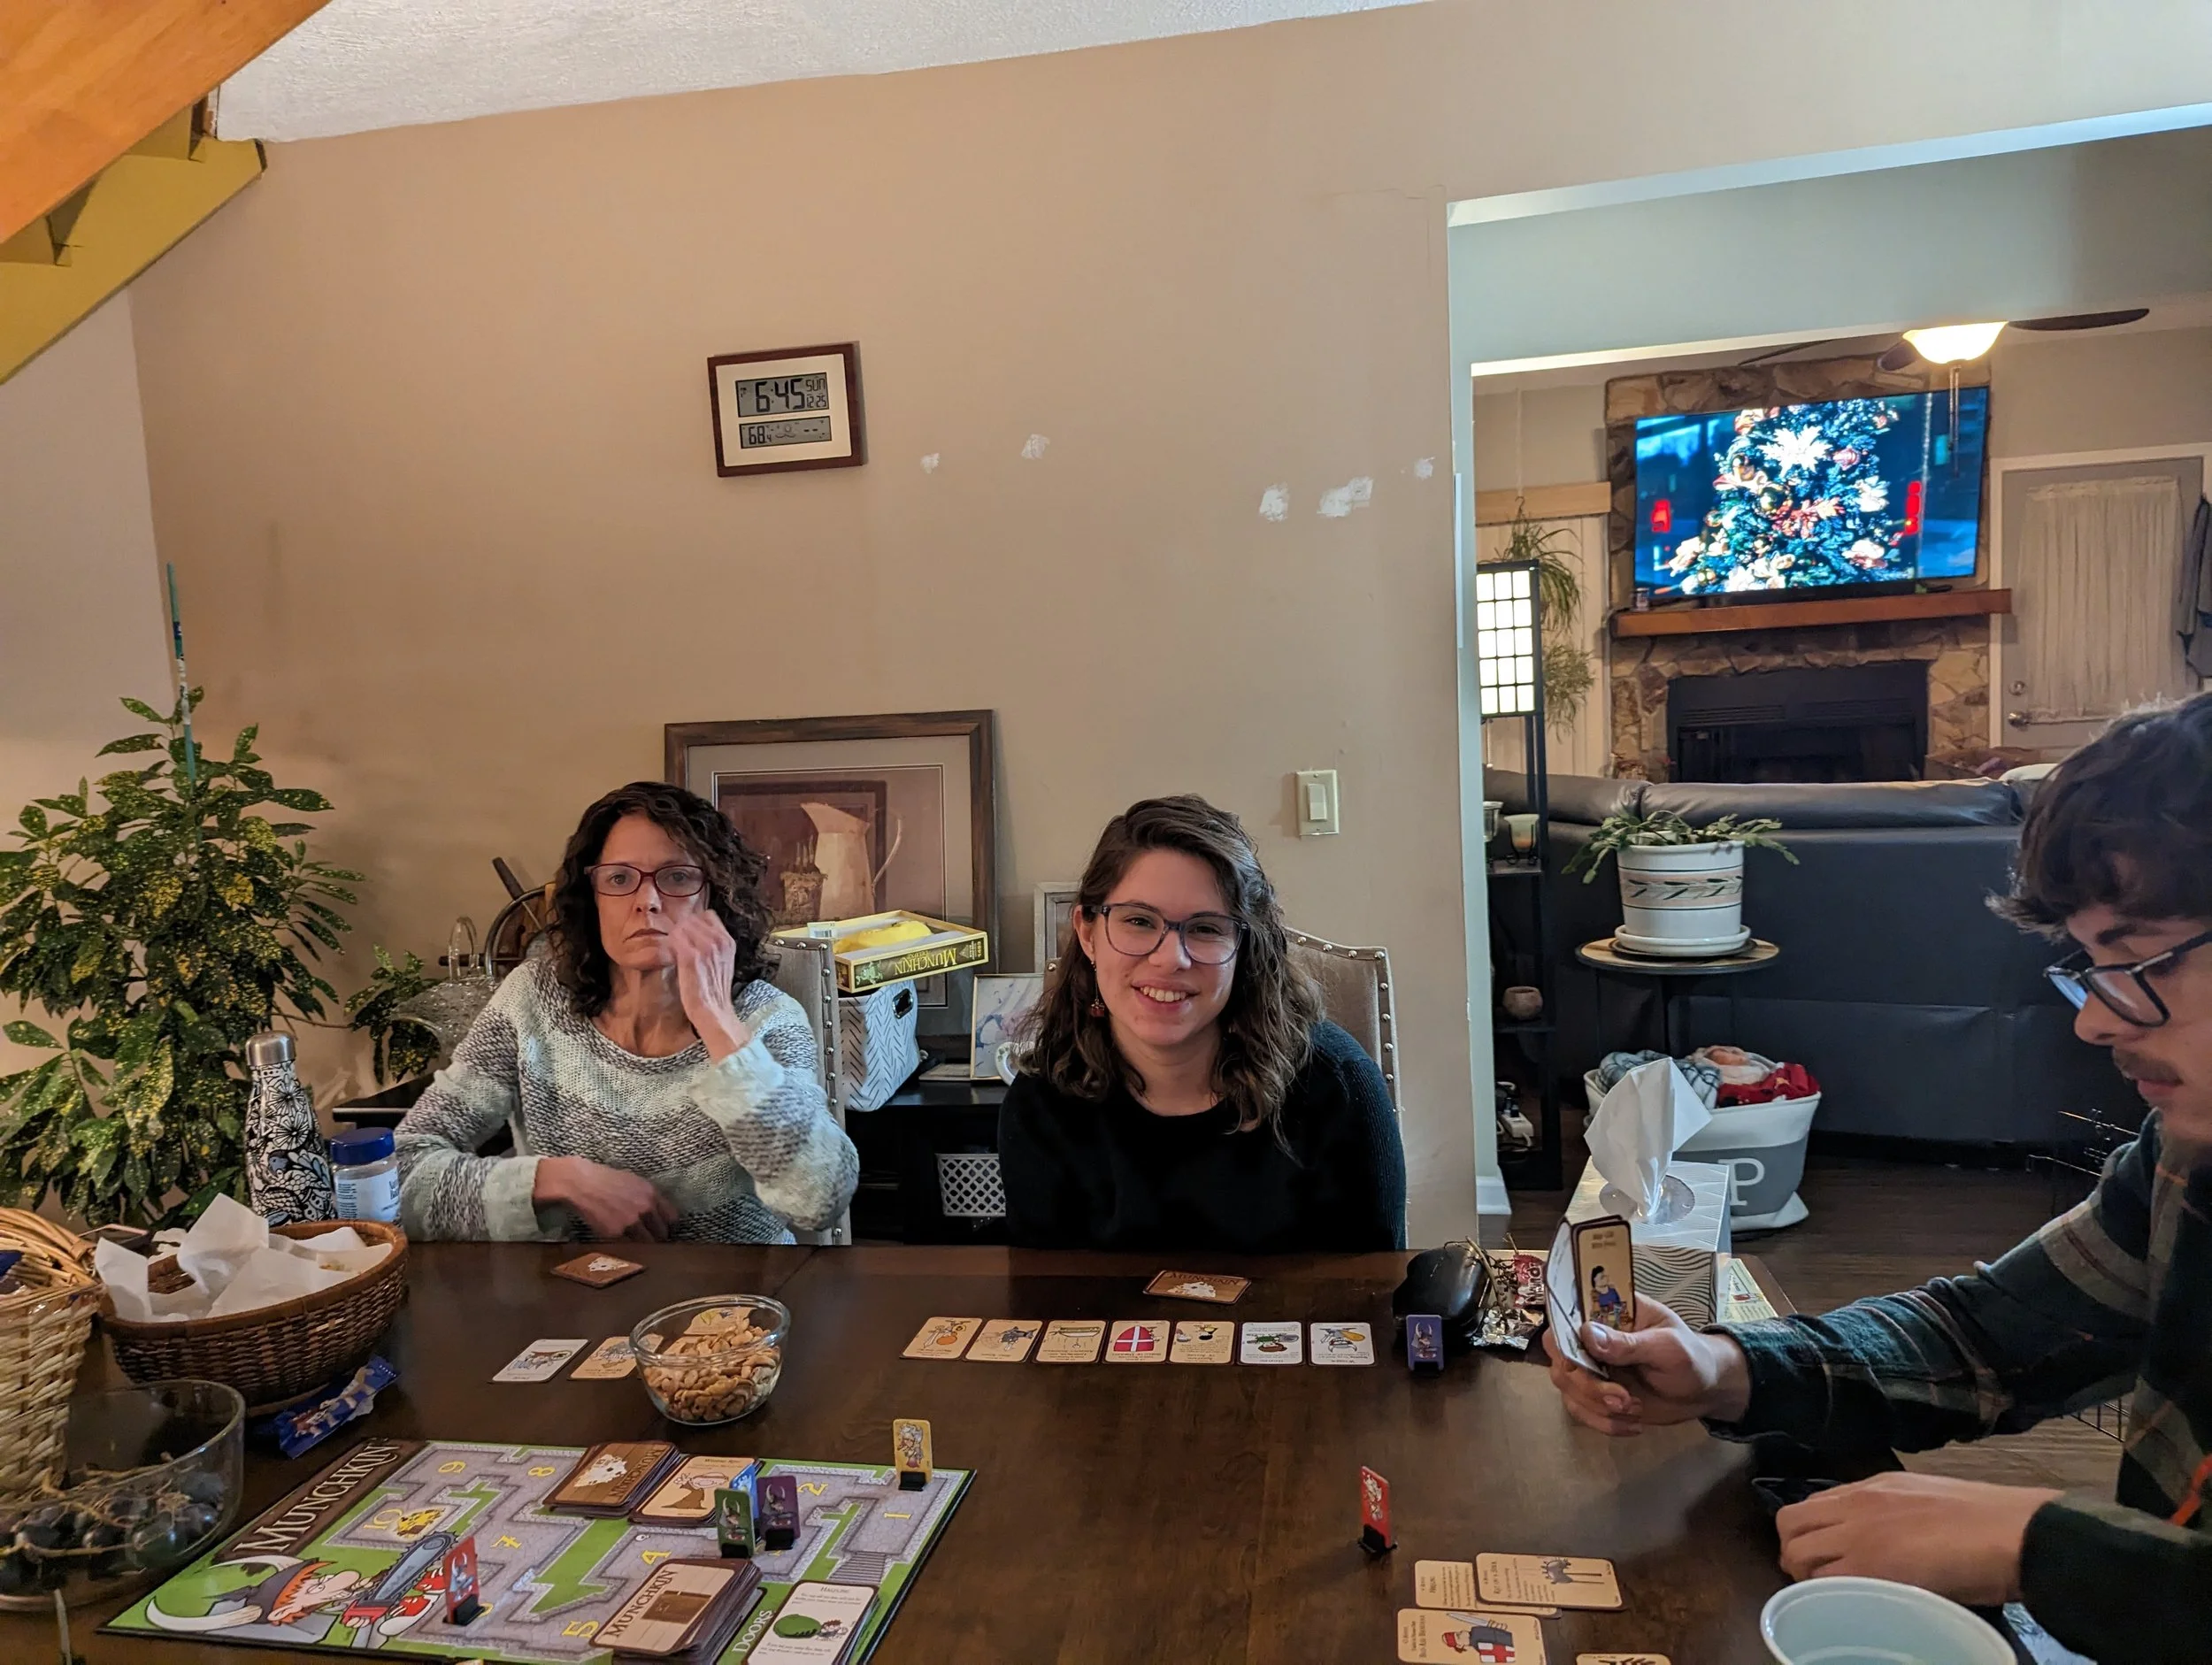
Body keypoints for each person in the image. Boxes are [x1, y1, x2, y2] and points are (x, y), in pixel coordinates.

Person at [1540, 692, 2212, 1665]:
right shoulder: (2185, 1159)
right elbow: (1983, 1336)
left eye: (2138, 963)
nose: (2093, 1020)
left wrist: (2043, 1547)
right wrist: (1727, 1370)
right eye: (2090, 966)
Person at [396, 781, 857, 1242]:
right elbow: (401, 1172)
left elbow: (819, 1199)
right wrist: (555, 1179)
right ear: (592, 898)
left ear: (714, 896)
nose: (648, 900)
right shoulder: (531, 999)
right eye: (619, 879)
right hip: (568, 1285)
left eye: (677, 877)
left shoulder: (768, 1018)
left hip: (737, 1286)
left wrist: (718, 1021)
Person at [997, 794, 1405, 1252]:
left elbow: (1373, 1287)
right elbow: (1044, 1291)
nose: (1170, 958)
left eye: (1206, 928)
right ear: (1088, 933)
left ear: (1245, 950)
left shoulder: (1339, 1087)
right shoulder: (1041, 1101)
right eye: (1139, 921)